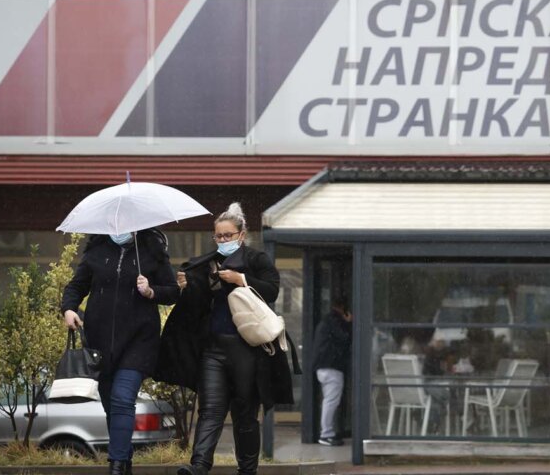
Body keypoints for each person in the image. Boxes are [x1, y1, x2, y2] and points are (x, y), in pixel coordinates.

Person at [155, 202, 294, 475]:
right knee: (210, 411)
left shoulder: (256, 260)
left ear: (241, 235)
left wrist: (241, 278)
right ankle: (199, 466)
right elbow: (195, 308)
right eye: (218, 236)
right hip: (214, 349)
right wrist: (187, 286)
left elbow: (272, 290)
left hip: (247, 350)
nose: (222, 240)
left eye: (227, 235)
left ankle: (247, 470)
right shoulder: (206, 264)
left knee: (245, 416)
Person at [61, 228, 179, 475]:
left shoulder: (152, 251)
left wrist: (151, 291)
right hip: (99, 343)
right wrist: (69, 309)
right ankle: (124, 462)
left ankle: (115, 467)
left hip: (139, 341)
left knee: (122, 399)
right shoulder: (97, 251)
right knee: (111, 406)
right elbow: (75, 286)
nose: (119, 229)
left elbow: (172, 292)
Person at [312, 295, 351, 446]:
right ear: (342, 308)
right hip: (331, 366)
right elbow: (344, 338)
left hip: (323, 366)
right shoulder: (335, 321)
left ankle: (327, 432)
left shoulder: (326, 321)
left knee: (329, 400)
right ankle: (326, 434)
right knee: (331, 401)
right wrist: (348, 324)